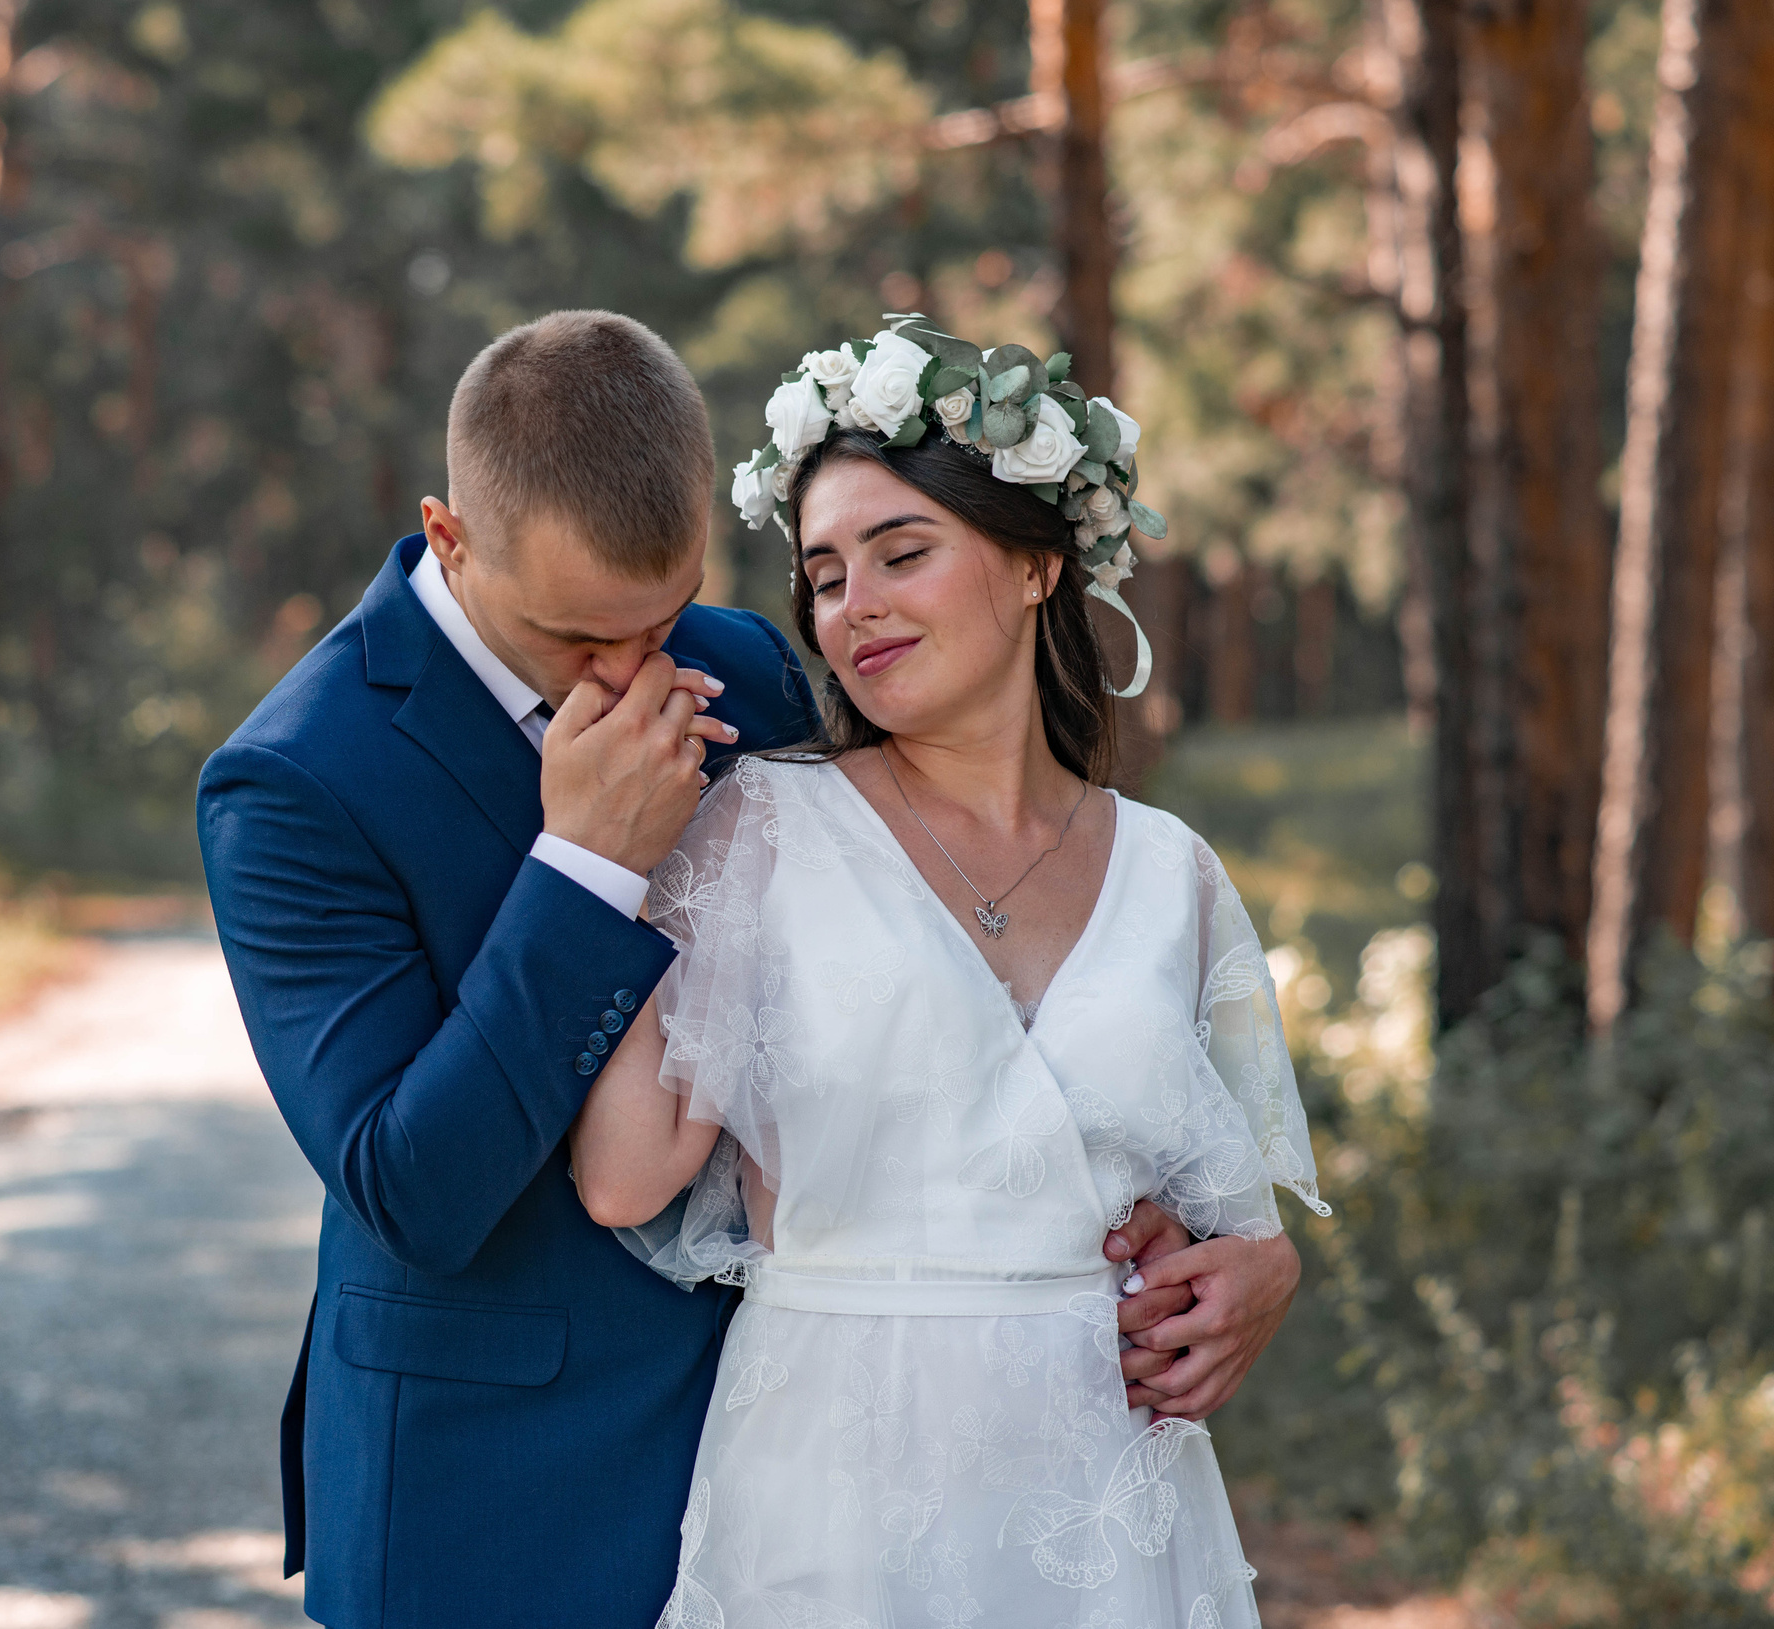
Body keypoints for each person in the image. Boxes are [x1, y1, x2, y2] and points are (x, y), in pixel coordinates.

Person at [197, 310, 1298, 1629]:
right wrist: (586, 867)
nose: (635, 672)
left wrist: (1208, 1249)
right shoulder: (296, 780)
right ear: (451, 537)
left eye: (662, 617)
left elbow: (911, 1014)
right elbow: (411, 1191)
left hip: (814, 1462)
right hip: (496, 1492)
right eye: (577, 636)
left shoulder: (750, 667)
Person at [570, 317, 1331, 1629]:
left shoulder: (1174, 873)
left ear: (1037, 565)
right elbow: (622, 1178)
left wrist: (1260, 1273)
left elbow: (1234, 1229)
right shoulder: (763, 830)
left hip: (1104, 1500)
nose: (852, 604)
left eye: (901, 552)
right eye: (823, 575)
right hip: (831, 1491)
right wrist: (604, 854)